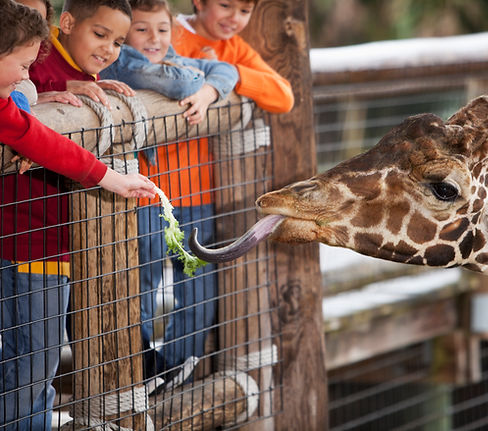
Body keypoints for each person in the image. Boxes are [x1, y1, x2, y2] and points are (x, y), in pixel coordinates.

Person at [0, 1, 155, 430]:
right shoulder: (32, 82)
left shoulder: (9, 102)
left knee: (34, 371)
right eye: (23, 66)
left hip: (46, 244)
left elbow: (41, 140)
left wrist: (113, 179)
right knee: (30, 370)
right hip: (27, 241)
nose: (25, 80)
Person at [100, 0, 238, 388]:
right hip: (143, 191)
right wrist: (200, 76)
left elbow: (227, 70)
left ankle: (176, 364)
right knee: (141, 273)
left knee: (194, 272)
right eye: (142, 30)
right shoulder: (121, 62)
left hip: (189, 191)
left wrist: (210, 91)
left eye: (162, 29)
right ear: (126, 34)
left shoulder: (174, 57)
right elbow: (178, 83)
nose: (154, 39)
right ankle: (140, 365)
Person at [173, 0, 294, 114]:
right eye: (225, 5)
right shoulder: (165, 34)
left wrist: (229, 72)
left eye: (244, 11)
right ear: (198, 2)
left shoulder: (236, 48)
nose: (234, 19)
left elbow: (284, 98)